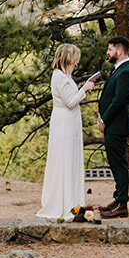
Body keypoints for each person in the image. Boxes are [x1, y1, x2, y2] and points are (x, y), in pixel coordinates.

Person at [36, 43, 96, 219]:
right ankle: (64, 205)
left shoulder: (65, 76)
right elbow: (70, 101)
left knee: (71, 160)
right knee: (65, 160)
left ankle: (73, 203)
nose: (77, 62)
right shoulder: (59, 77)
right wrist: (84, 89)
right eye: (75, 58)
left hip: (69, 122)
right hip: (63, 123)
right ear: (68, 58)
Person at [94, 35, 129, 218]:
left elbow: (119, 101)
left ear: (119, 51)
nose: (107, 52)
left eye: (110, 49)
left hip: (117, 125)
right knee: (114, 163)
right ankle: (118, 199)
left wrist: (104, 119)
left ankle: (122, 204)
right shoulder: (117, 69)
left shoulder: (127, 72)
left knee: (119, 164)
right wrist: (101, 115)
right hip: (112, 123)